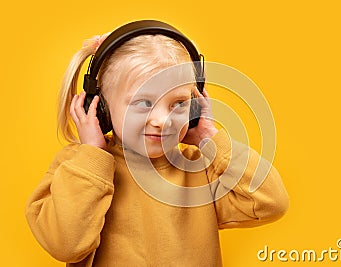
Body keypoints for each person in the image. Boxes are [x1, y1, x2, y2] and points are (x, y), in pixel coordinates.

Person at [25, 20, 289, 266]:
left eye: (178, 104)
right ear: (99, 108)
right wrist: (92, 155)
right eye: (143, 103)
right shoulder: (78, 167)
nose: (162, 120)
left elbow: (272, 203)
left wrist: (209, 137)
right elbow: (66, 245)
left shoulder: (201, 169)